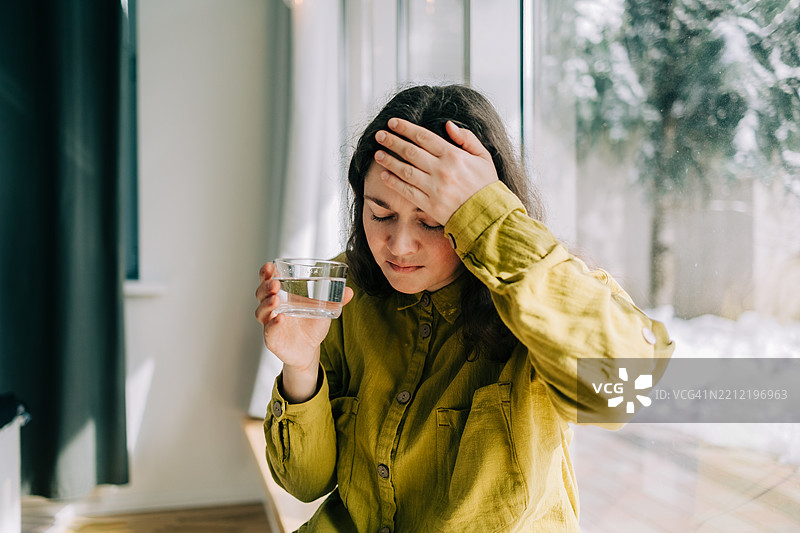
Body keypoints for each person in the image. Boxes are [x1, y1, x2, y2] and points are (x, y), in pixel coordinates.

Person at [255, 84, 674, 532]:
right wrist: (302, 366)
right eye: (380, 214)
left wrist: (490, 216)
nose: (399, 245)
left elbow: (623, 393)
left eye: (431, 221)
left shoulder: (544, 296)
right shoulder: (346, 289)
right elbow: (305, 483)